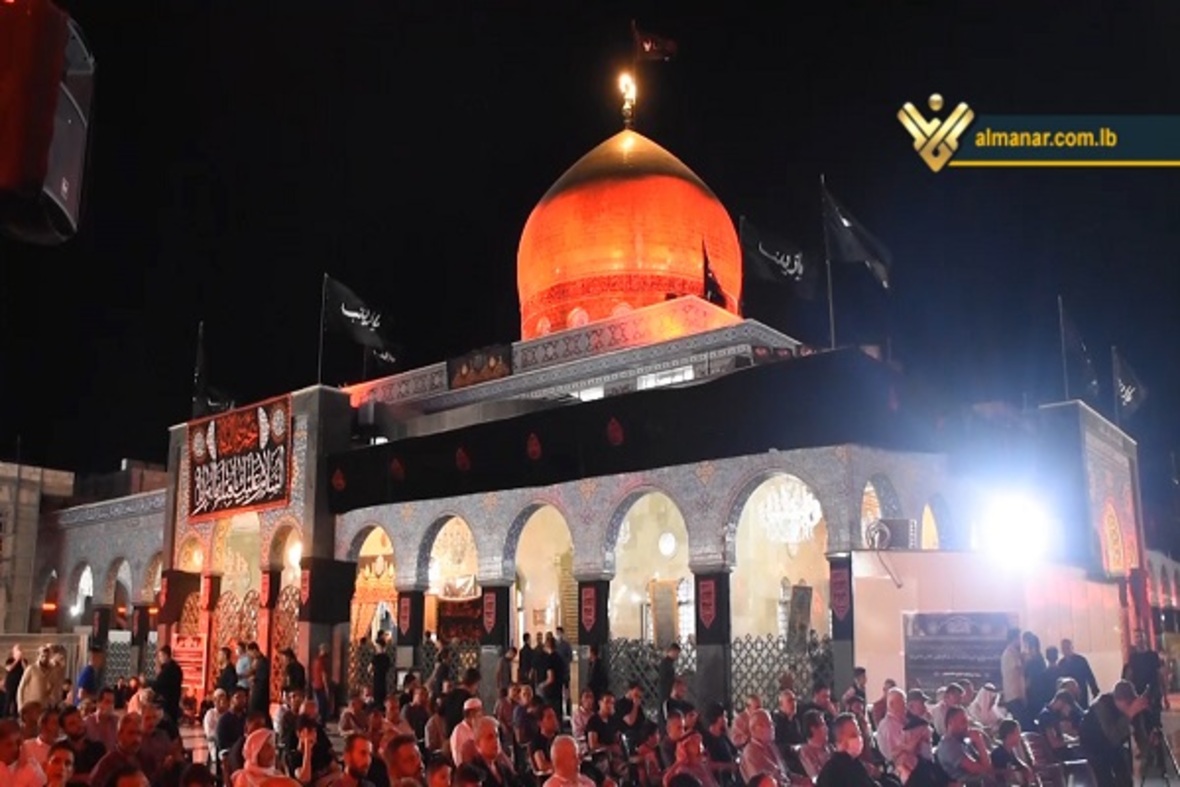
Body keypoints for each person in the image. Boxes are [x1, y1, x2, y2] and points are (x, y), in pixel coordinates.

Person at [1080, 679, 1150, 787]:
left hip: (1113, 746)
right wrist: (1129, 714)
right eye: (1127, 703)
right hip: (1094, 746)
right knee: (1105, 780)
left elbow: (1139, 731)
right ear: (1117, 700)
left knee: (1125, 777)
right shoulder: (1101, 706)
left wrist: (1146, 752)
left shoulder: (1130, 706)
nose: (1129, 706)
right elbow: (1113, 736)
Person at [1058, 638, 1100, 707]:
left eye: (1067, 648)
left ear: (1072, 648)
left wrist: (1095, 691)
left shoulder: (1081, 660)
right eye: (1064, 648)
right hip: (1067, 696)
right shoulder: (1061, 663)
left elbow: (1089, 676)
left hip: (1081, 692)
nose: (1066, 651)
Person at [151, 646, 184, 724]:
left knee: (167, 723)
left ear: (166, 655)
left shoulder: (169, 669)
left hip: (167, 702)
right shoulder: (175, 668)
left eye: (160, 656)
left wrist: (147, 683)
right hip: (173, 701)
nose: (159, 659)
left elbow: (160, 684)